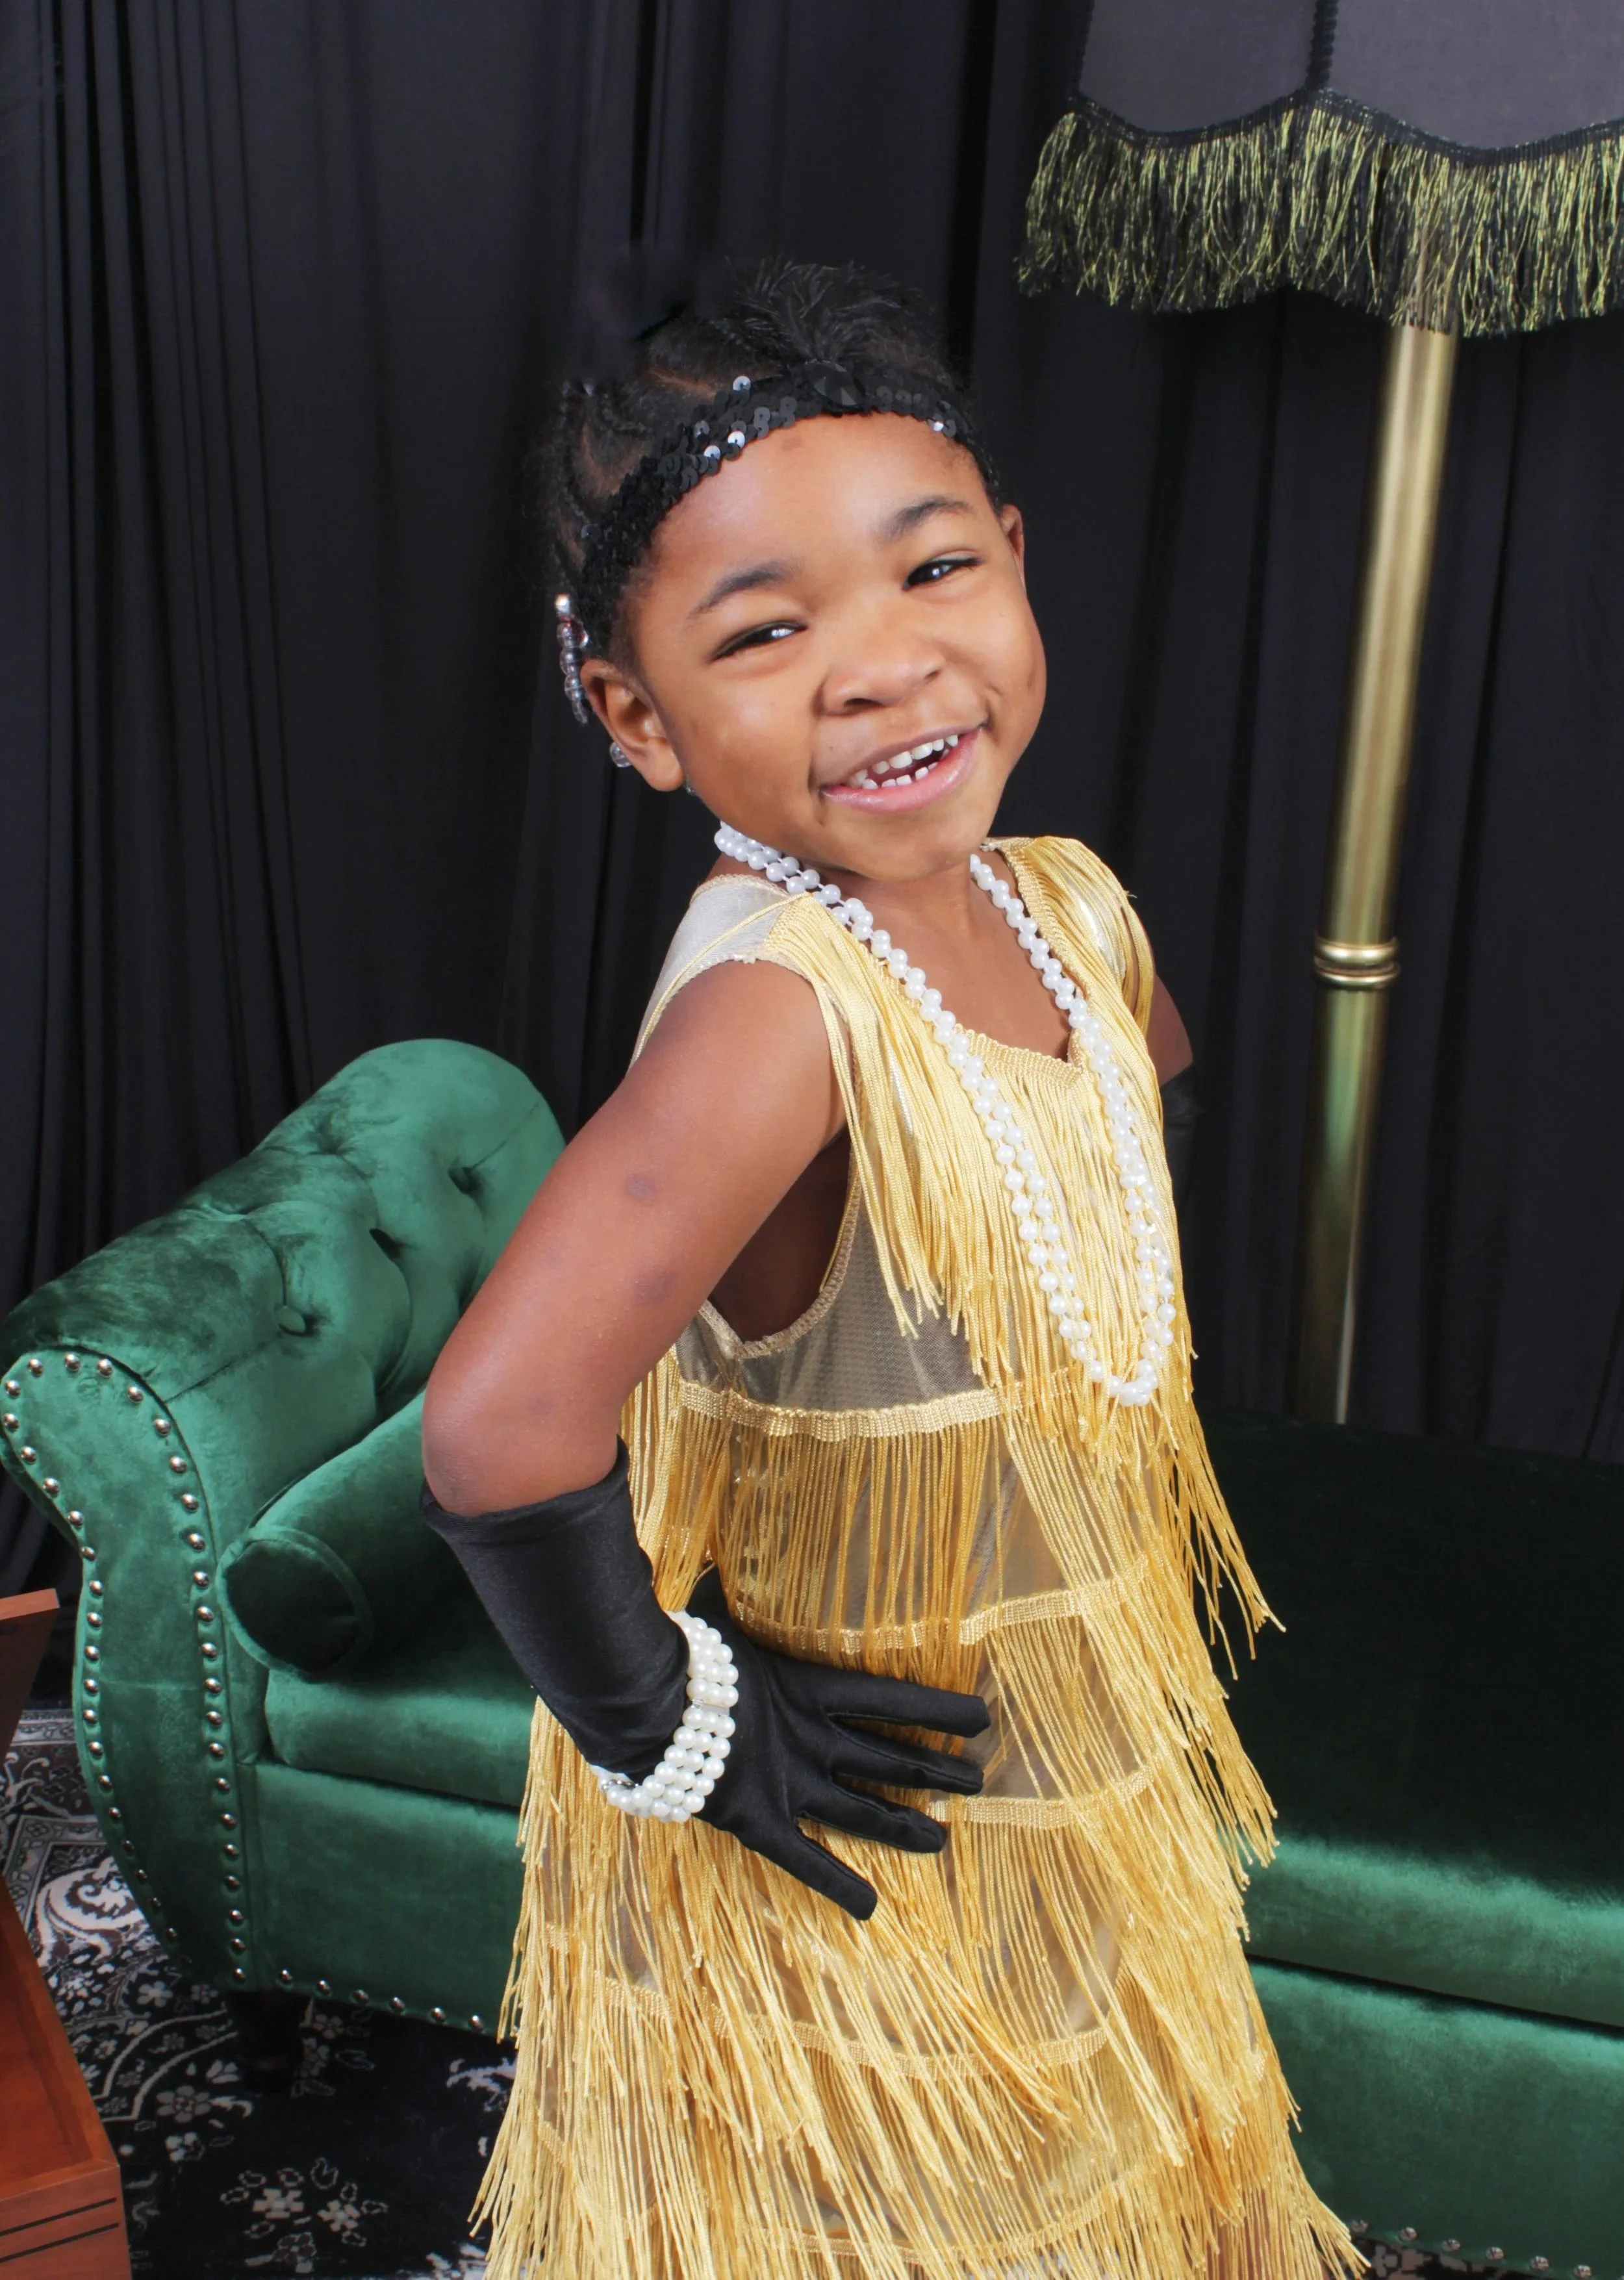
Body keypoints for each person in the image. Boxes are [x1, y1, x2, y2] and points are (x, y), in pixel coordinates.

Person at [421, 259, 1358, 2280]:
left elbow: (1121, 1093)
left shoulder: (1059, 910)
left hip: (1056, 1747)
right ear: (636, 715)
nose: (881, 665)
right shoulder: (775, 1019)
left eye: (932, 574)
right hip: (854, 1841)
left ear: (1015, 561)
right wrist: (675, 1724)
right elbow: (500, 1422)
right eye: (762, 634)